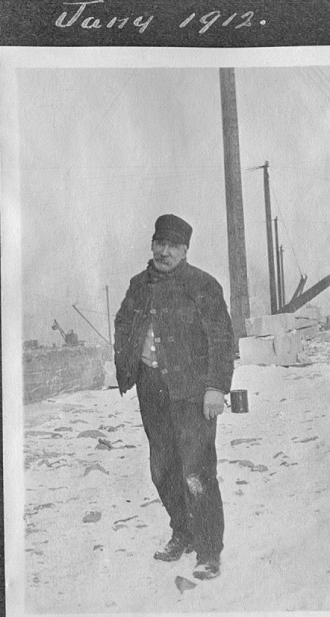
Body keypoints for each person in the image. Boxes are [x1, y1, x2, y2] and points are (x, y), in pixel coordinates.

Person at [114, 214, 234, 579]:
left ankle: (209, 551)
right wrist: (128, 363)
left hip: (192, 393)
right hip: (152, 389)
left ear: (185, 251)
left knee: (196, 471)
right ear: (152, 245)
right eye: (160, 244)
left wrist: (216, 387)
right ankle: (183, 533)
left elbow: (222, 339)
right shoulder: (138, 284)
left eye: (173, 246)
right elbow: (122, 323)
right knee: (163, 469)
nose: (165, 252)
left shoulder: (202, 285)